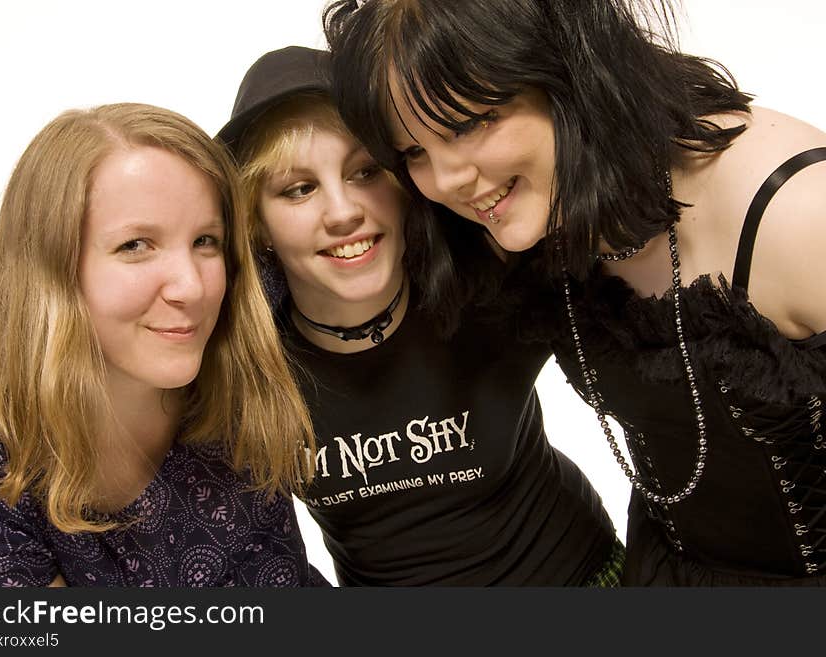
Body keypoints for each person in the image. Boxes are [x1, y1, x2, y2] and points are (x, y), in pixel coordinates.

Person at [322, 0, 826, 585]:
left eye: (470, 122)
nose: (449, 180)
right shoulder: (527, 212)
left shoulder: (795, 212)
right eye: (415, 152)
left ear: (565, 73)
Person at [216, 45, 621, 586]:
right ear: (257, 222)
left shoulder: (489, 276)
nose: (343, 212)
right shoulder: (240, 365)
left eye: (364, 172)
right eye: (299, 189)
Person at [0, 102, 326, 587]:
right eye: (135, 246)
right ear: (49, 271)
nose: (191, 287)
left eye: (206, 240)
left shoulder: (249, 317)